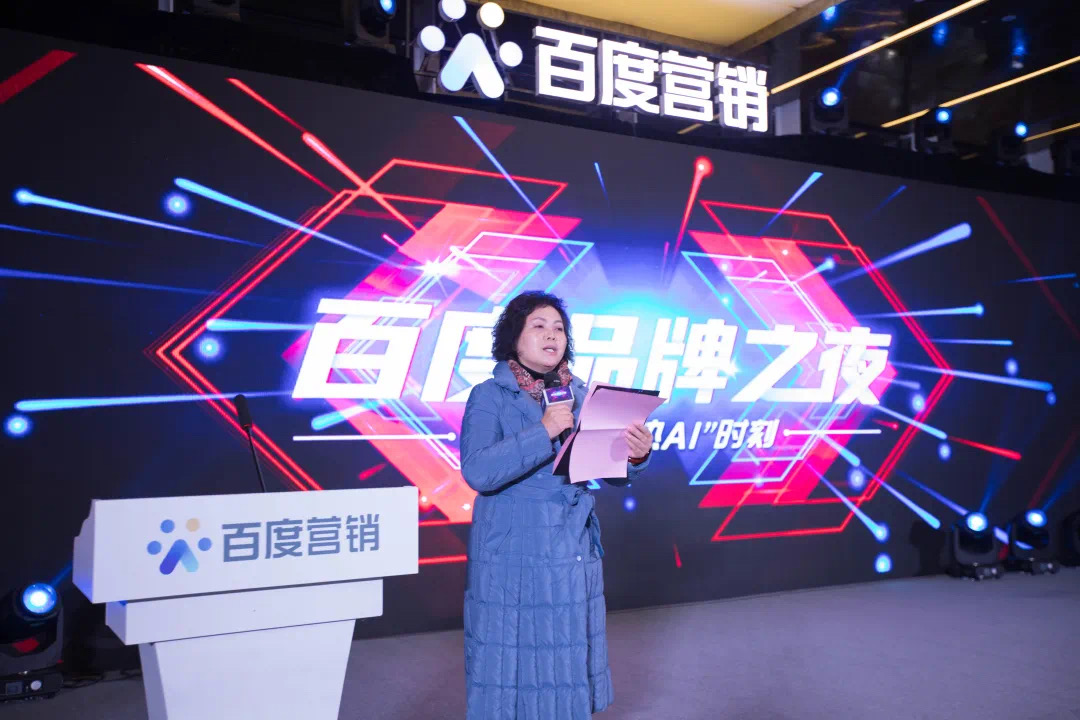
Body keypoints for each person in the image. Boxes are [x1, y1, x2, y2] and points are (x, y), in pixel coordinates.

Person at [460, 291, 653, 719]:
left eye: (559, 328)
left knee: (565, 657)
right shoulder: (490, 395)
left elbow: (605, 469)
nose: (552, 335)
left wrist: (636, 456)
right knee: (512, 662)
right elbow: (478, 471)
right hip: (513, 551)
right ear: (514, 337)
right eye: (539, 326)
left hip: (571, 547)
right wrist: (543, 430)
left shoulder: (583, 395)